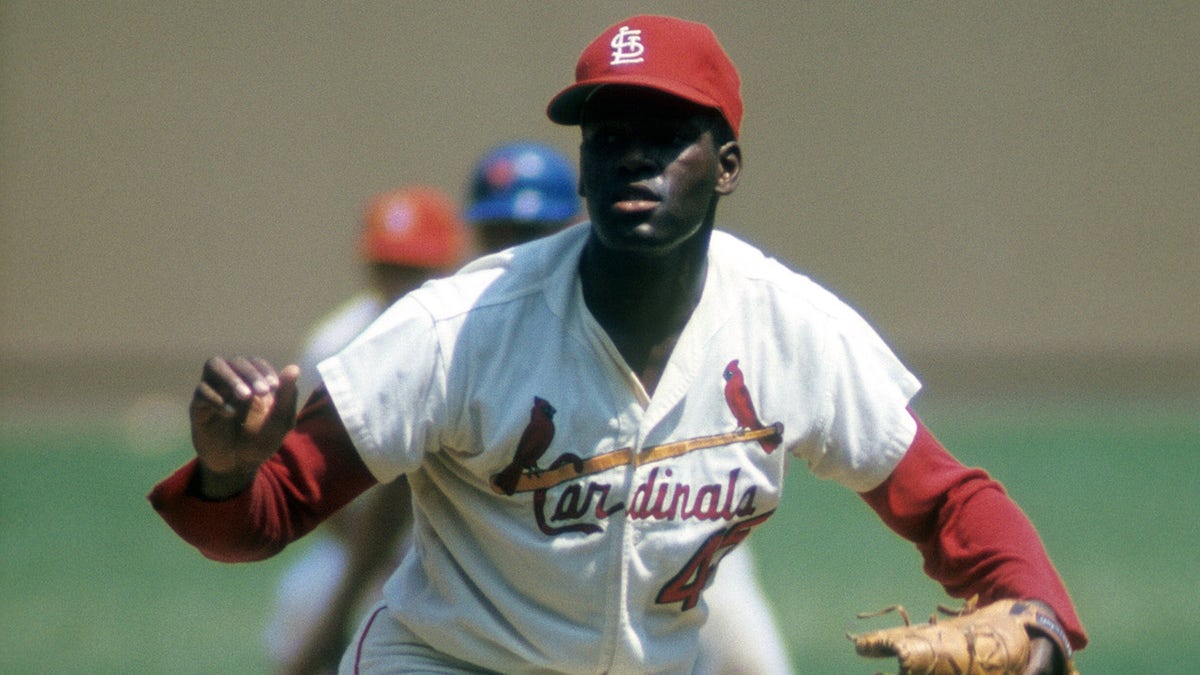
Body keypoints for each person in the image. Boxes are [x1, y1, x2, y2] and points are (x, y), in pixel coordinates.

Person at [150, 14, 1087, 674]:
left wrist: (1037, 611)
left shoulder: (785, 326)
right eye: (608, 134)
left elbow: (945, 498)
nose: (632, 154)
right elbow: (264, 516)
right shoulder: (460, 326)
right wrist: (229, 471)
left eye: (665, 134)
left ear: (726, 165)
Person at [264, 186, 468, 675]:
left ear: (446, 265)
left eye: (414, 268)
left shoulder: (472, 333)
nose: (399, 281)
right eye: (387, 266)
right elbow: (308, 479)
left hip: (461, 547)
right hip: (357, 543)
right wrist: (373, 557)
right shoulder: (333, 345)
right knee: (304, 599)